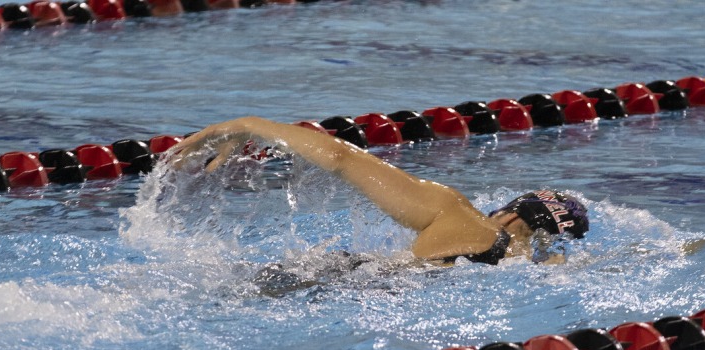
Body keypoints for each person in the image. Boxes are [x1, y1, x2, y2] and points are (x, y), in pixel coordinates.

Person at [171, 116, 589, 265]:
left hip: (342, 285)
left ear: (512, 213)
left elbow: (341, 159)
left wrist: (252, 125)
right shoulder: (535, 264)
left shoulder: (460, 216)